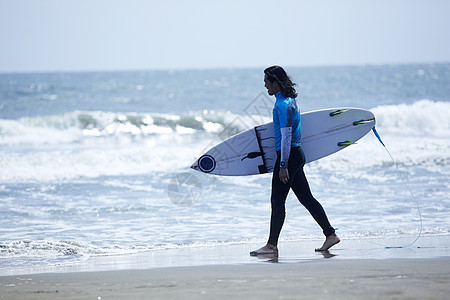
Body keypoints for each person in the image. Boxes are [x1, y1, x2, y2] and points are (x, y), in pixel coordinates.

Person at [250, 66, 340, 256]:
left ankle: (272, 245)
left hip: (289, 156)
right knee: (306, 198)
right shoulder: (291, 101)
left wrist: (283, 165)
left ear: (275, 82)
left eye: (267, 81)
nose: (265, 85)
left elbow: (286, 136)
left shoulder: (282, 105)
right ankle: (330, 234)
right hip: (296, 155)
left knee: (277, 200)